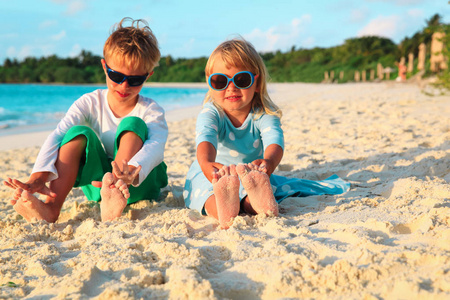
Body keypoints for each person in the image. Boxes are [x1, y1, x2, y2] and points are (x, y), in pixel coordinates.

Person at [4, 18, 168, 223]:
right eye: (116, 76)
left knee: (133, 124)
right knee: (78, 133)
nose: (124, 86)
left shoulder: (150, 110)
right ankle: (51, 207)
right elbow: (59, 134)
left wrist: (129, 172)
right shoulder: (90, 102)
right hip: (99, 186)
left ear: (148, 76)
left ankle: (115, 191)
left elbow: (156, 146)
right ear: (104, 66)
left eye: (135, 80)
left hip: (136, 184)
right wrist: (39, 175)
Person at [183, 38, 350, 228]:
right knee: (206, 194)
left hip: (250, 174)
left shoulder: (263, 113)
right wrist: (206, 164)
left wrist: (269, 162)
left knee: (253, 191)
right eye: (221, 81)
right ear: (210, 83)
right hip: (213, 174)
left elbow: (275, 142)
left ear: (256, 81)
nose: (231, 87)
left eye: (241, 79)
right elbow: (206, 139)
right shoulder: (211, 112)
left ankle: (252, 204)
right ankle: (223, 209)